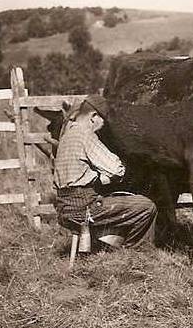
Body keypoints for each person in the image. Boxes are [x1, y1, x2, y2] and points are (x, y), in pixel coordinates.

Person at [52, 96, 157, 250]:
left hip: (64, 208)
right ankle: (136, 251)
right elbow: (117, 168)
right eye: (103, 123)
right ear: (93, 117)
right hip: (84, 207)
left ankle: (109, 244)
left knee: (116, 201)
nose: (102, 127)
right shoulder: (86, 135)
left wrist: (97, 176)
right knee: (146, 206)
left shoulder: (67, 136)